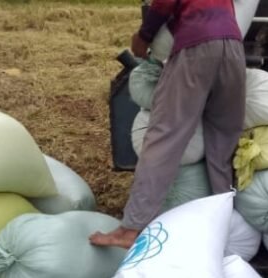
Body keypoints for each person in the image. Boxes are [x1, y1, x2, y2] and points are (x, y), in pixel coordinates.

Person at [90, 0, 246, 249]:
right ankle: (223, 218)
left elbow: (163, 3)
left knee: (164, 137)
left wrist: (143, 36)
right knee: (223, 139)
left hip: (197, 46)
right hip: (234, 47)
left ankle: (130, 229)